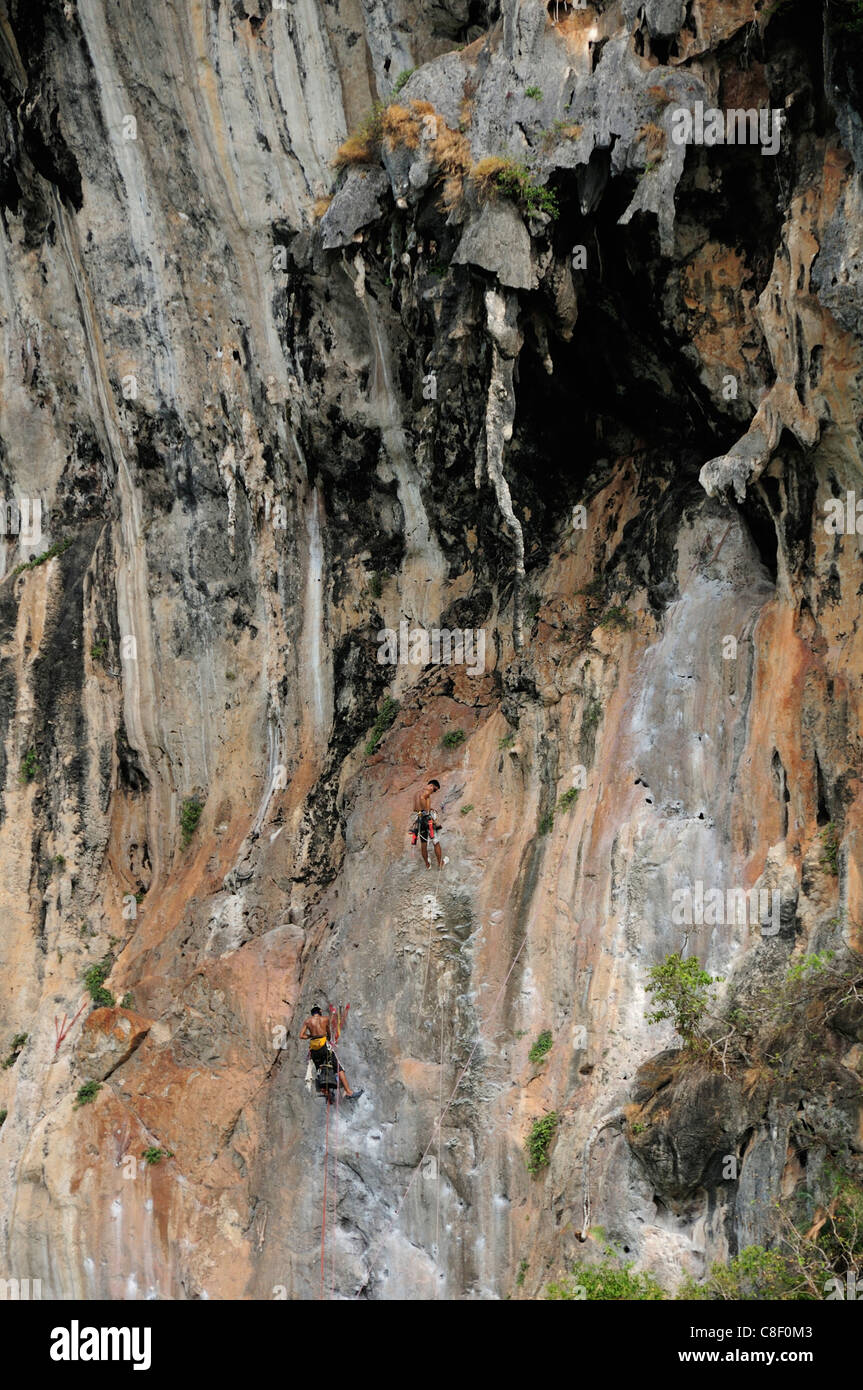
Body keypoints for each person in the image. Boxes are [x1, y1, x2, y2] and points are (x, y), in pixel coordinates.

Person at [299, 1006, 362, 1099]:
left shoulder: (308, 1021)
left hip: (314, 1049)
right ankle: (348, 1091)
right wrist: (327, 1038)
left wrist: (310, 1036)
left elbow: (301, 1035)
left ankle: (328, 1095)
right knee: (338, 1067)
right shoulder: (325, 1019)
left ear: (312, 1013)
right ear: (319, 1012)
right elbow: (328, 1033)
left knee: (320, 1070)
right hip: (324, 1046)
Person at [410, 777, 443, 869]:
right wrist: (427, 812)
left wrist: (424, 810)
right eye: (434, 790)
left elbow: (415, 808)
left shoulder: (416, 793)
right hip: (426, 820)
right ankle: (440, 864)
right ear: (431, 785)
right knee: (436, 842)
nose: (433, 792)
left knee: (423, 844)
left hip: (419, 820)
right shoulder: (427, 792)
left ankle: (427, 865)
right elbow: (423, 798)